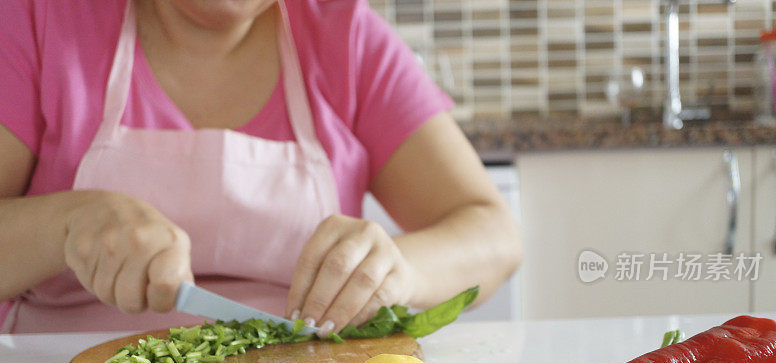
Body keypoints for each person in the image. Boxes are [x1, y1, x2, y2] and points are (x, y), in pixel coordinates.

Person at [0, 0, 522, 335]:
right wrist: (66, 224)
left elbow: (495, 234)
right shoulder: (36, 19)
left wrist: (398, 270)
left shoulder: (346, 37)